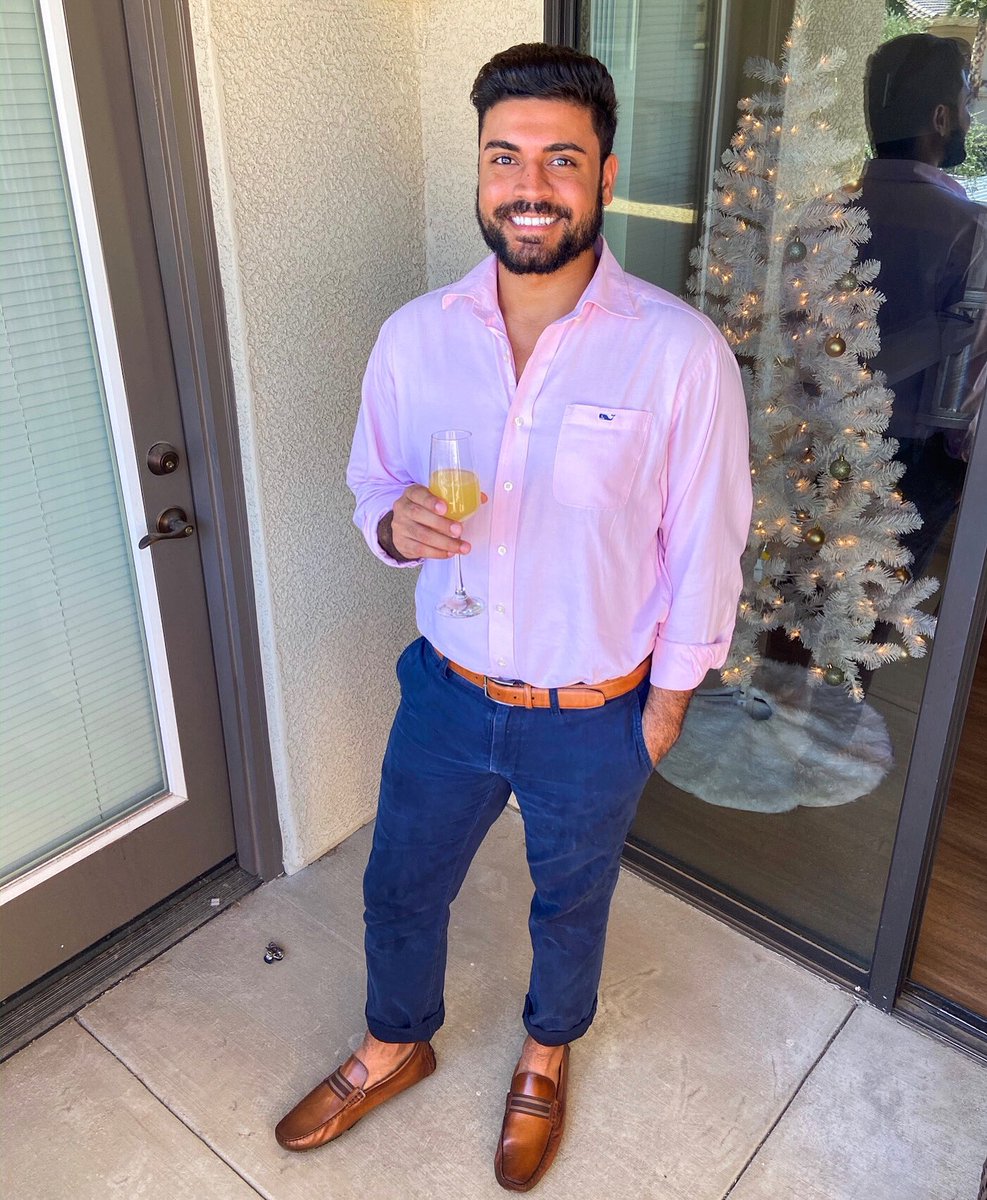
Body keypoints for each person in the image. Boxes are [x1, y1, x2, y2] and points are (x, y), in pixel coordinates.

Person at [275, 42, 751, 1190]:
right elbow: (372, 479)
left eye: (559, 159)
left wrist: (667, 703)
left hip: (594, 712)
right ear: (481, 171)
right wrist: (393, 526)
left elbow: (708, 541)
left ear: (604, 174)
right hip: (446, 693)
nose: (529, 184)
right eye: (505, 157)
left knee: (569, 903)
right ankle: (397, 1042)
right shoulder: (416, 336)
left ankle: (546, 1054)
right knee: (400, 884)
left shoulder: (679, 354)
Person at [860, 34, 987, 575]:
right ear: (940, 118)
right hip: (920, 457)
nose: (970, 119)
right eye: (965, 105)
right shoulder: (970, 230)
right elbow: (972, 373)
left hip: (823, 436)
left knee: (816, 587)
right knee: (887, 597)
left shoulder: (826, 218)